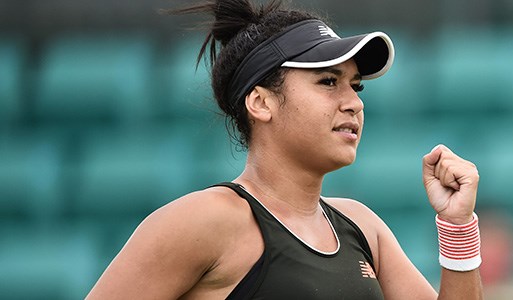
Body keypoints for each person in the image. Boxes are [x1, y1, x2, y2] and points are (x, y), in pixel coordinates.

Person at [86, 0, 483, 299]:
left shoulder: (364, 227)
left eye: (356, 86)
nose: (354, 102)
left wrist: (457, 226)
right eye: (329, 82)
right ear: (260, 102)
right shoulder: (203, 221)